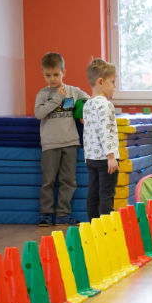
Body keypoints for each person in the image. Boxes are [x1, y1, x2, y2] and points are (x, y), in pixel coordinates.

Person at [34, 52, 89, 226]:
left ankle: (63, 215)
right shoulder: (43, 94)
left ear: (64, 72)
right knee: (48, 181)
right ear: (43, 74)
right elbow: (38, 113)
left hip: (70, 142)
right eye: (48, 75)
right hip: (50, 144)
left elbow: (90, 101)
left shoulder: (73, 91)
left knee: (68, 181)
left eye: (56, 74)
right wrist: (57, 98)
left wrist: (82, 112)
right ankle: (45, 214)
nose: (52, 79)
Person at [81, 59, 120, 219]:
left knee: (93, 194)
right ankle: (106, 229)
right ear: (101, 82)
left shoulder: (87, 105)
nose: (114, 86)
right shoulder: (105, 105)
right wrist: (111, 156)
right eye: (112, 82)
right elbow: (105, 131)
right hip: (105, 159)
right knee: (106, 195)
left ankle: (94, 226)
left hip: (91, 158)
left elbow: (88, 132)